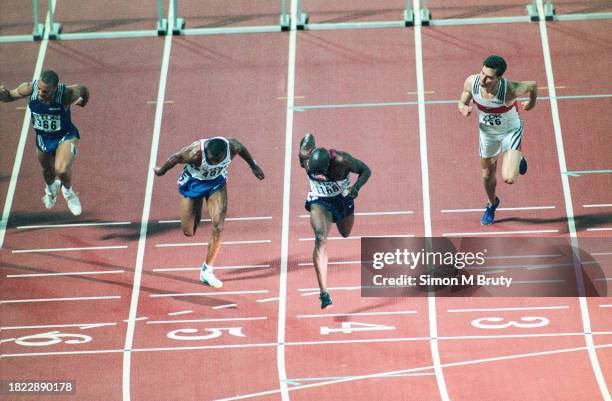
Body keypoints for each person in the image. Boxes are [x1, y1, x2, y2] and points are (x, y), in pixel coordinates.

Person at [154, 136, 264, 288]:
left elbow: (243, 149)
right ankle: (197, 203)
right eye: (211, 159)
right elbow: (175, 158)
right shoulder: (194, 152)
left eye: (216, 160)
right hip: (194, 183)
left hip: (216, 184)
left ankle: (207, 270)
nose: (213, 162)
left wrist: (253, 166)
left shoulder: (232, 147)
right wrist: (161, 171)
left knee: (218, 226)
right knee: (189, 231)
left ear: (224, 153)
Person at [458, 55, 537, 225]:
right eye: (482, 73)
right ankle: (492, 204)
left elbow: (532, 85)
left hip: (510, 130)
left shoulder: (509, 89)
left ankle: (518, 156)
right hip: (487, 133)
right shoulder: (472, 82)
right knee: (487, 174)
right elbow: (462, 99)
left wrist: (531, 102)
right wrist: (463, 107)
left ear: (499, 78)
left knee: (509, 178)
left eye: (489, 77)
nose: (483, 80)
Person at [0, 70, 89, 215]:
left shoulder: (66, 95)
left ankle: (69, 193)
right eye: (39, 89)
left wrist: (83, 103)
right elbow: (9, 96)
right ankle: (51, 189)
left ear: (55, 88)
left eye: (45, 91)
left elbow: (83, 89)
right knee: (47, 172)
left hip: (65, 136)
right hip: (43, 138)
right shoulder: (29, 89)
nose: (41, 93)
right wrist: (1, 94)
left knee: (61, 169)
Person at [299, 133, 371, 308]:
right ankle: (324, 293)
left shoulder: (342, 160)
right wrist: (308, 139)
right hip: (319, 201)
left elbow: (366, 171)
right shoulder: (304, 156)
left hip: (341, 199)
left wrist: (356, 187)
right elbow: (308, 139)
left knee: (345, 233)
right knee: (320, 239)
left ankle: (334, 218)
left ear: (328, 165)